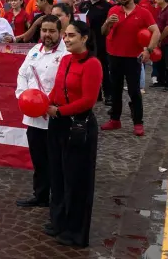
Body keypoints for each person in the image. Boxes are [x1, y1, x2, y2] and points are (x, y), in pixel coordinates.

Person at [45, 20, 102, 247]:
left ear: (85, 38)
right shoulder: (66, 59)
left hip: (78, 126)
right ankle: (59, 221)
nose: (66, 39)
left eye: (72, 36)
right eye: (65, 35)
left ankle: (76, 231)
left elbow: (88, 100)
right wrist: (47, 103)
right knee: (57, 175)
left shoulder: (92, 64)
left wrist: (59, 111)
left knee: (77, 180)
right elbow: (57, 88)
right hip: (57, 123)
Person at [15, 15, 68, 209]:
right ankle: (41, 195)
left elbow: (64, 84)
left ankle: (58, 199)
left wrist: (49, 104)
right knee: (38, 159)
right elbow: (22, 74)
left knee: (56, 160)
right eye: (44, 30)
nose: (47, 34)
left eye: (52, 31)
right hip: (32, 116)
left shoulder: (66, 54)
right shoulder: (34, 51)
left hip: (54, 115)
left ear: (60, 32)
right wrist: (22, 96)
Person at [101, 0, 160, 136]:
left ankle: (138, 122)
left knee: (134, 91)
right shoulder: (113, 10)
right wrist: (108, 23)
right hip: (114, 56)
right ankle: (115, 119)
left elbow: (156, 32)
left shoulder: (143, 12)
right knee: (115, 90)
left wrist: (149, 49)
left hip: (133, 58)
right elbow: (104, 32)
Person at [80, 0, 112, 106]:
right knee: (89, 69)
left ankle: (108, 94)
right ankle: (96, 94)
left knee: (103, 69)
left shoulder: (106, 6)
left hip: (100, 41)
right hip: (85, 42)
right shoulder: (84, 5)